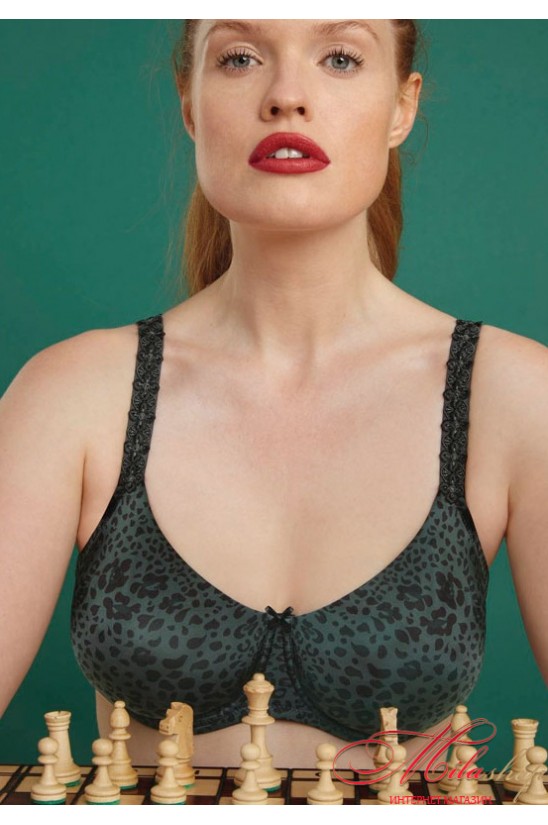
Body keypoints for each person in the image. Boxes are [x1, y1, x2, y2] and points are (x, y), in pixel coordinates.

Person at [1, 19, 547, 772]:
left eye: (341, 58)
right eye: (240, 58)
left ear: (402, 107)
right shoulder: (70, 393)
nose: (287, 96)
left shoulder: (514, 394)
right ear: (190, 105)